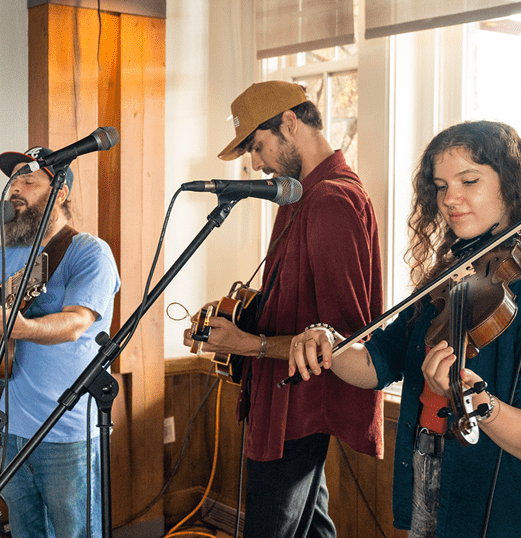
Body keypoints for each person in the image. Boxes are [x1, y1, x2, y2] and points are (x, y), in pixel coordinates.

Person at [289, 121, 521, 538]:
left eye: (469, 181)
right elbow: (375, 365)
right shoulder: (449, 279)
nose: (450, 199)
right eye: (439, 186)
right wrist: (328, 339)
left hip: (506, 509)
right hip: (429, 474)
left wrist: (474, 399)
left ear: (513, 185)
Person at [183, 80, 384, 537]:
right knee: (313, 530)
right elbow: (297, 306)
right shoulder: (300, 197)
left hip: (300, 409)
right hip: (285, 405)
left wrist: (247, 343)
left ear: (289, 124)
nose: (255, 163)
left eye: (258, 146)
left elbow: (339, 339)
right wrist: (237, 319)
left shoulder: (333, 200)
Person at [0, 147, 120, 538]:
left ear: (60, 193)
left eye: (27, 181)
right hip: (8, 430)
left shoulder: (88, 252)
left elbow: (76, 323)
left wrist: (22, 328)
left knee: (76, 532)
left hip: (66, 433)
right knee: (25, 531)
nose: (14, 189)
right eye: (11, 182)